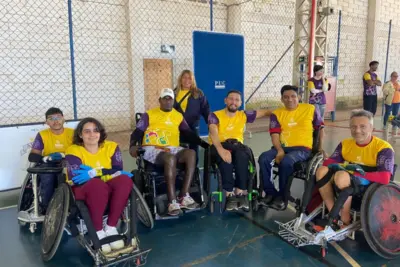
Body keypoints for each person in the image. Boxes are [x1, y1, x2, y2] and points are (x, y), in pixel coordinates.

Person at [129, 88, 209, 216]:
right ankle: (172, 201)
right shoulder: (149, 114)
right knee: (170, 158)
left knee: (191, 154)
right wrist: (132, 145)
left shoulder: (178, 116)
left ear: (173, 101)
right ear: (159, 100)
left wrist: (202, 143)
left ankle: (184, 195)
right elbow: (138, 132)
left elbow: (188, 133)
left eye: (170, 99)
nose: (167, 101)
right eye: (165, 98)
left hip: (172, 147)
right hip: (152, 147)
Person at [66, 117, 134, 254]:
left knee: (125, 180)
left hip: (105, 186)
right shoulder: (73, 150)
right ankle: (97, 231)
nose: (92, 134)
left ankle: (110, 227)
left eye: (95, 130)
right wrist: (102, 174)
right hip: (82, 188)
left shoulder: (111, 147)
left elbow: (118, 170)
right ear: (80, 134)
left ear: (100, 132)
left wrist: (96, 172)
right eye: (87, 131)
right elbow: (76, 177)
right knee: (97, 184)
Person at [315, 109, 394, 226]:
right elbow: (329, 162)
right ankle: (334, 213)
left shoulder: (383, 148)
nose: (357, 130)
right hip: (348, 178)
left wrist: (356, 173)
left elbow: (384, 178)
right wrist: (333, 162)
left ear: (372, 128)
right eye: (353, 127)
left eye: (363, 127)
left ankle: (345, 218)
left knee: (341, 176)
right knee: (321, 170)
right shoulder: (345, 144)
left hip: (368, 183)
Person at [258, 85, 326, 211]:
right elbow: (274, 135)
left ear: (299, 97)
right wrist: (279, 150)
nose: (290, 99)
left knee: (287, 161)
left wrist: (320, 148)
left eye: (293, 96)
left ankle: (283, 196)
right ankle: (270, 193)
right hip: (282, 147)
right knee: (263, 158)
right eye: (286, 97)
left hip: (302, 149)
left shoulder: (310, 109)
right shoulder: (277, 114)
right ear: (282, 99)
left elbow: (320, 129)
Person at [208, 90, 272, 211]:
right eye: (231, 99)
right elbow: (213, 132)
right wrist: (221, 149)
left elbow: (265, 112)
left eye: (237, 100)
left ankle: (240, 192)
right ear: (225, 101)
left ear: (241, 103)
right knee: (226, 161)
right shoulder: (215, 115)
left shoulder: (243, 114)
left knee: (242, 157)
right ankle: (229, 194)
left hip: (237, 146)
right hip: (220, 145)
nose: (234, 102)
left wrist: (283, 112)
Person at [28, 107, 74, 211]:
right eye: (51, 118)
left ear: (63, 119)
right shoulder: (42, 135)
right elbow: (33, 156)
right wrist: (46, 158)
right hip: (49, 162)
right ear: (46, 122)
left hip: (68, 161)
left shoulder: (73, 133)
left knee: (69, 174)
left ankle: (71, 205)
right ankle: (47, 207)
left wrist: (64, 155)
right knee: (47, 176)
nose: (56, 121)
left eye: (58, 117)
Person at [174, 70, 210, 163]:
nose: (187, 80)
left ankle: (194, 168)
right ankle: (181, 169)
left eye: (189, 78)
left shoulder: (198, 93)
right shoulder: (174, 93)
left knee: (194, 147)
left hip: (193, 126)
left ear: (193, 80)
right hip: (177, 127)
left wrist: (210, 124)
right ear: (180, 79)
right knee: (179, 148)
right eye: (184, 77)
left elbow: (205, 109)